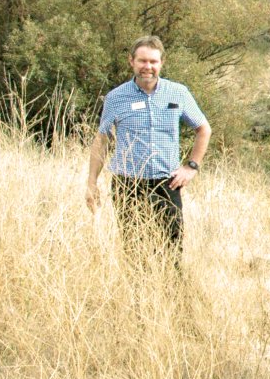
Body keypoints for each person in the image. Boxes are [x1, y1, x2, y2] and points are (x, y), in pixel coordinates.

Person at [86, 36, 211, 267]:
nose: (148, 67)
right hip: (128, 184)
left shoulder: (178, 93)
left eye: (153, 61)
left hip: (167, 183)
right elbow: (102, 140)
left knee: (172, 249)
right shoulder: (116, 97)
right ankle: (139, 299)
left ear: (161, 63)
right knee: (134, 249)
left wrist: (191, 166)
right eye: (142, 61)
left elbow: (203, 129)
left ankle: (171, 297)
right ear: (131, 61)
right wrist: (92, 182)